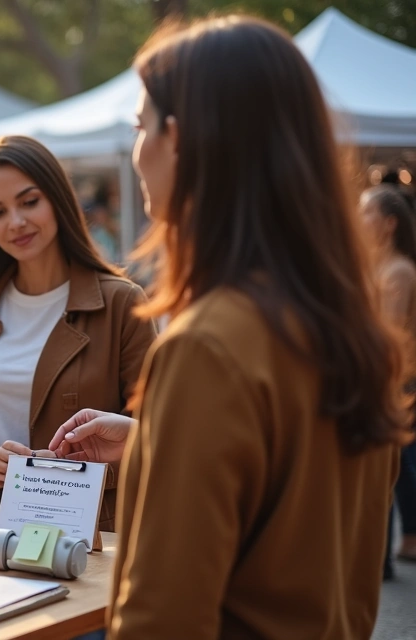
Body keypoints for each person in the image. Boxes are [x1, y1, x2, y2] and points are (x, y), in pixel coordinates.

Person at [107, 16, 409, 638]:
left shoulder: (206, 346)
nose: (137, 152)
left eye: (141, 127)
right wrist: (153, 447)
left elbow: (162, 619)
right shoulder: (345, 326)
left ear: (180, 137)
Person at [0, 136, 156, 533]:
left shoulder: (121, 303)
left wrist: (78, 471)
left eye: (29, 202)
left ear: (57, 199)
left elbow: (154, 430)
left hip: (92, 533)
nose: (15, 222)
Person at [360, 184, 416, 575]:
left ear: (389, 224)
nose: (359, 219)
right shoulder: (379, 267)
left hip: (397, 383)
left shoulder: (397, 270)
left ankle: (393, 549)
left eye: (368, 212)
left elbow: (389, 331)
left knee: (393, 468)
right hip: (387, 380)